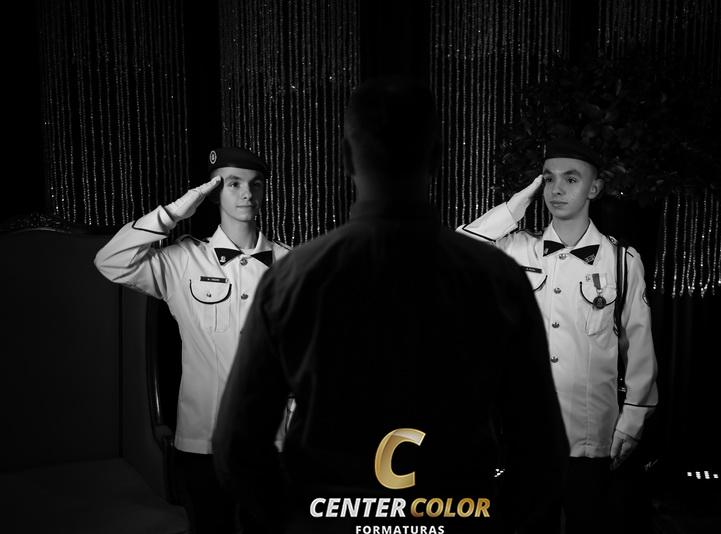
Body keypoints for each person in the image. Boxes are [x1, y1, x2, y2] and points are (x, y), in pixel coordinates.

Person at [212, 78, 568, 534]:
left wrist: (299, 522)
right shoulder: (499, 280)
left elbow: (237, 448)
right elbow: (542, 453)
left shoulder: (289, 280)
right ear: (437, 157)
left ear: (346, 158)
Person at [458, 138, 658, 533]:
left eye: (571, 179)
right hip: (527, 430)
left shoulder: (621, 260)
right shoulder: (517, 249)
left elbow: (639, 345)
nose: (557, 189)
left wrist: (633, 420)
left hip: (594, 433)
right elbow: (460, 248)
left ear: (594, 188)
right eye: (548, 179)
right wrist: (515, 206)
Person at [94, 147, 291, 533]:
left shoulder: (291, 263)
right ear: (213, 192)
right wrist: (175, 212)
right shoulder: (182, 261)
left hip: (272, 441)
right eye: (233, 183)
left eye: (256, 184)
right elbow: (110, 261)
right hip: (203, 442)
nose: (247, 193)